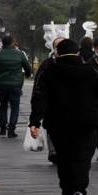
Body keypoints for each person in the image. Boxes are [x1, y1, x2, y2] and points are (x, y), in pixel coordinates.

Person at [29, 39, 98, 195]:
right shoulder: (90, 71)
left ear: (57, 53)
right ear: (78, 53)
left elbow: (40, 96)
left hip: (58, 122)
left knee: (64, 158)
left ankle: (67, 193)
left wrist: (35, 121)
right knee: (83, 157)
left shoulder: (49, 71)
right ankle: (79, 190)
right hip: (86, 121)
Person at [0, 36, 32, 138]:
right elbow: (27, 68)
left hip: (2, 84)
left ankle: (2, 129)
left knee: (3, 106)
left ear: (3, 43)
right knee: (15, 107)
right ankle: (11, 130)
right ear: (13, 43)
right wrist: (28, 74)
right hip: (15, 84)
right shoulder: (19, 54)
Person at [32, 36, 65, 164]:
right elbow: (38, 87)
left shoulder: (77, 63)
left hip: (70, 104)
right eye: (57, 46)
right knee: (52, 126)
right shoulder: (47, 64)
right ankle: (53, 151)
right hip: (52, 103)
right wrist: (35, 118)